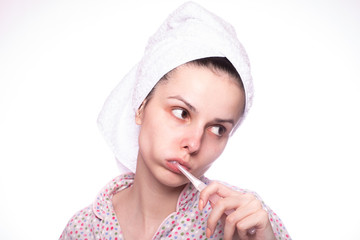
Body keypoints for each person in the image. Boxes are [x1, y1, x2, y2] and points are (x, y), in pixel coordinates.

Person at [60, 2, 291, 240]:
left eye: (217, 129)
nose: (194, 143)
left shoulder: (250, 222)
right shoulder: (81, 229)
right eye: (181, 113)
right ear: (140, 106)